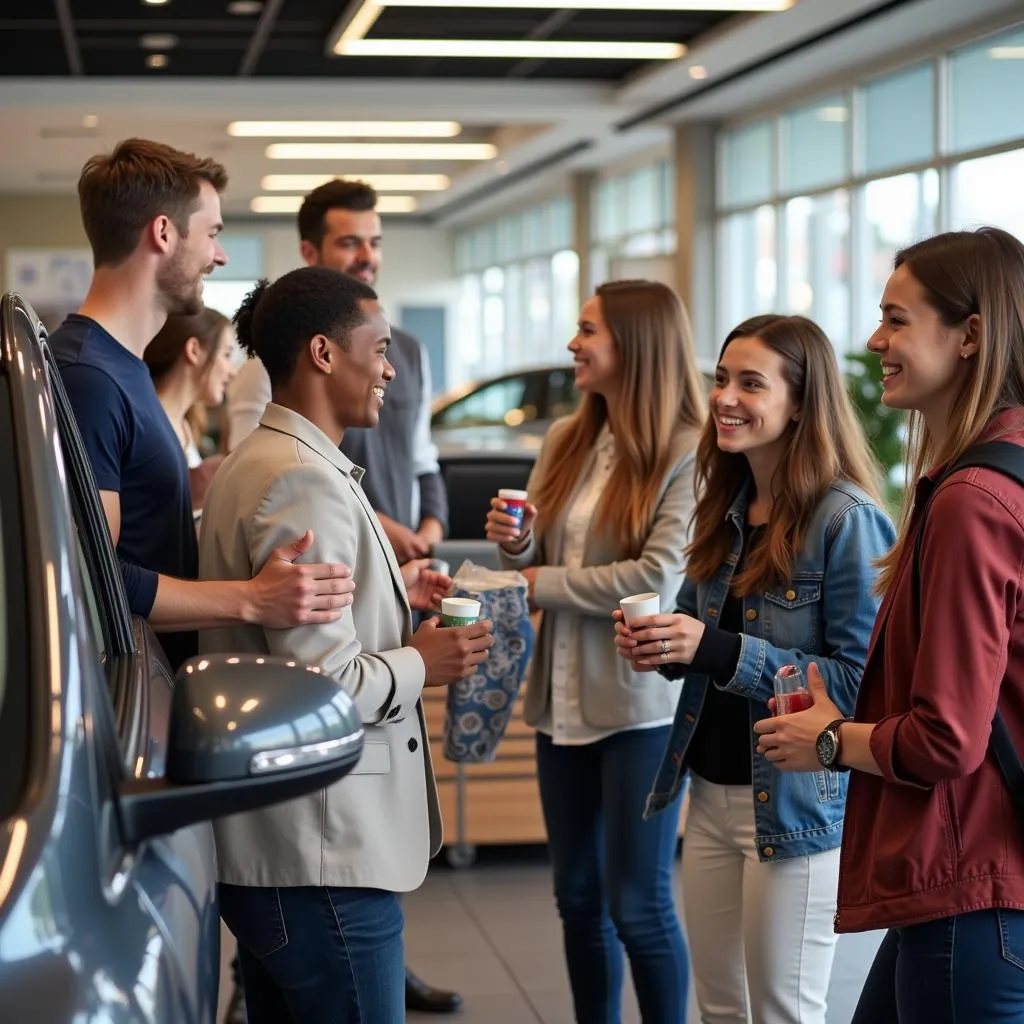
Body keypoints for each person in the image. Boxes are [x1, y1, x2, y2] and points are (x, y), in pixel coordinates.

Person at [199, 265, 494, 1024]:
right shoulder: (302, 480)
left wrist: (398, 604)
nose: (392, 368)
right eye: (381, 347)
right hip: (321, 851)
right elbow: (320, 685)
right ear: (326, 354)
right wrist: (421, 661)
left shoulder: (277, 459)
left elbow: (301, 637)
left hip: (290, 846)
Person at [754, 227, 1024, 1023]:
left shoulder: (974, 502)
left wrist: (830, 740)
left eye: (897, 319)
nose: (875, 341)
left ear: (970, 333)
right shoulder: (994, 470)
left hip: (970, 887)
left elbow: (947, 738)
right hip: (978, 880)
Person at [614, 314, 895, 1024]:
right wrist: (663, 648)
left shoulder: (845, 519)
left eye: (750, 383)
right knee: (720, 1010)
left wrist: (715, 651)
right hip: (707, 795)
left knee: (781, 1013)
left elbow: (861, 684)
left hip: (797, 806)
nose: (724, 398)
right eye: (720, 379)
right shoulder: (730, 503)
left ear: (800, 401)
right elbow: (699, 634)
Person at [49, 137, 354, 679]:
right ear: (163, 232)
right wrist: (251, 599)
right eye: (211, 233)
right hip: (130, 699)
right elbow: (93, 577)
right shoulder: (89, 376)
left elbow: (141, 546)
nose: (220, 254)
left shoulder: (123, 368)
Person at [485, 279, 704, 1023]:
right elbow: (532, 547)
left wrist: (538, 578)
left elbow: (656, 575)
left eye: (588, 331)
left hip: (639, 706)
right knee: (576, 897)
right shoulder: (567, 439)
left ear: (635, 346)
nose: (573, 345)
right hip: (561, 700)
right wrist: (517, 539)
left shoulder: (687, 452)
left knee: (637, 904)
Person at [144, 305, 237, 512]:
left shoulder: (183, 424)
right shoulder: (150, 425)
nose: (232, 372)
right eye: (226, 354)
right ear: (194, 350)